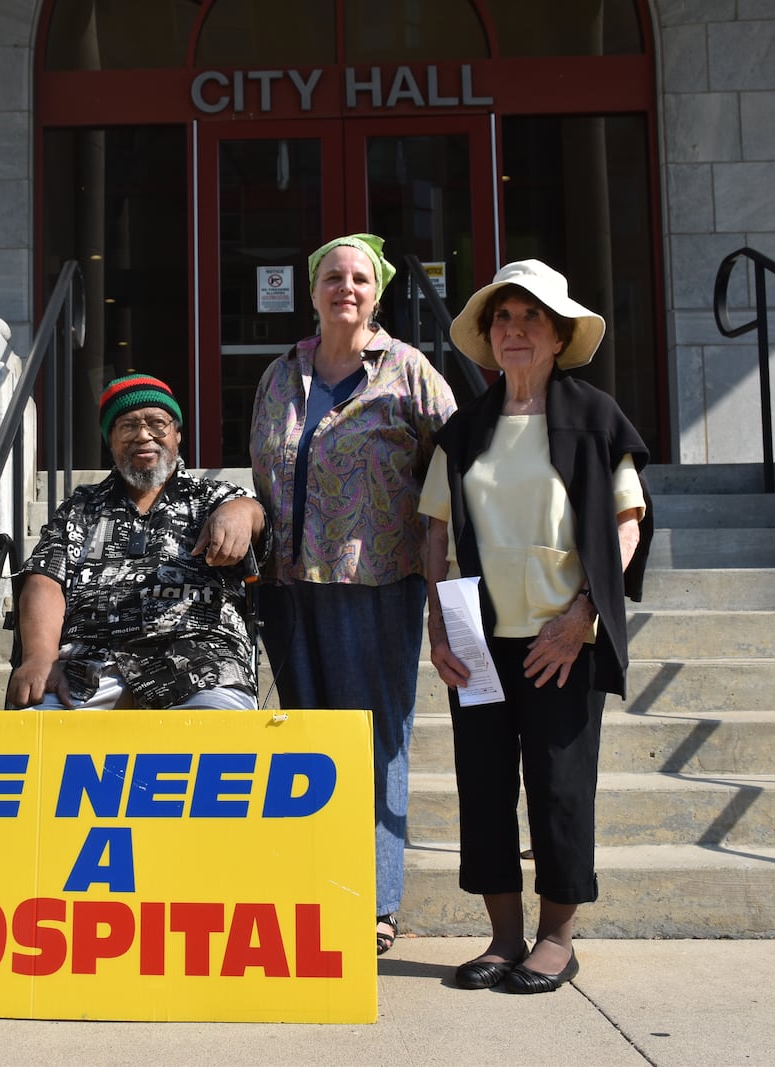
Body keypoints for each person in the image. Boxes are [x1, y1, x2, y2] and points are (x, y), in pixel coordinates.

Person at [421, 259, 652, 994]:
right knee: (485, 787)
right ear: (489, 339)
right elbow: (435, 534)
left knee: (559, 787)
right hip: (480, 640)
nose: (514, 331)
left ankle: (557, 937)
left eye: (530, 319)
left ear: (558, 337)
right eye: (502, 320)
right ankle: (503, 936)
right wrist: (437, 626)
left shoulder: (594, 417)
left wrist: (583, 612)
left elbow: (626, 525)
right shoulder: (466, 430)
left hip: (564, 638)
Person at [248, 233, 457, 956]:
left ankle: (375, 900)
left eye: (360, 278)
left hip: (377, 581)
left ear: (379, 291)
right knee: (307, 741)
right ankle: (316, 884)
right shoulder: (281, 374)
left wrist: (442, 563)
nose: (346, 287)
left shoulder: (411, 371)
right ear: (311, 291)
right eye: (332, 276)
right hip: (289, 583)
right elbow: (262, 470)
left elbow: (456, 470)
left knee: (375, 739)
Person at [7, 373, 265, 711]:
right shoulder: (80, 508)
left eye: (157, 423)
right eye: (127, 426)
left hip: (200, 662)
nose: (144, 435)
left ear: (177, 435)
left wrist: (242, 512)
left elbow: (258, 521)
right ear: (111, 441)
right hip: (86, 666)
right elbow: (44, 578)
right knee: (32, 740)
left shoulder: (217, 498)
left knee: (218, 741)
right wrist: (39, 656)